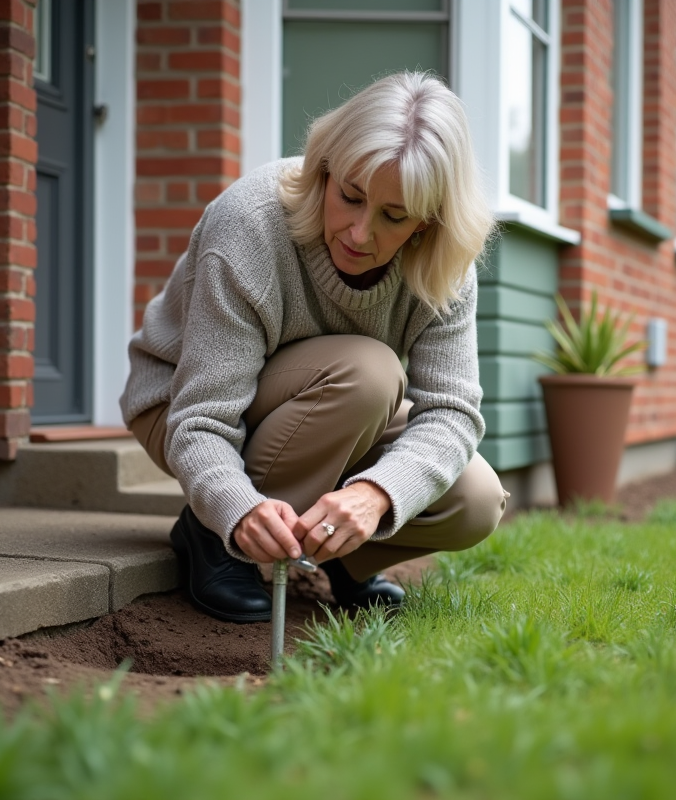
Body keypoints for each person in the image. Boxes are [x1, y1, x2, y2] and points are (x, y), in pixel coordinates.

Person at [120, 72, 507, 624]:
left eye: (393, 216)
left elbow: (452, 414)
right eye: (349, 196)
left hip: (332, 408)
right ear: (324, 170)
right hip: (182, 404)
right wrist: (236, 508)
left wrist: (374, 496)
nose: (358, 232)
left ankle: (344, 557)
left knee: (474, 500)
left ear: (427, 224)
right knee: (370, 375)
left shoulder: (443, 264)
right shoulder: (251, 225)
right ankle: (210, 533)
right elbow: (201, 418)